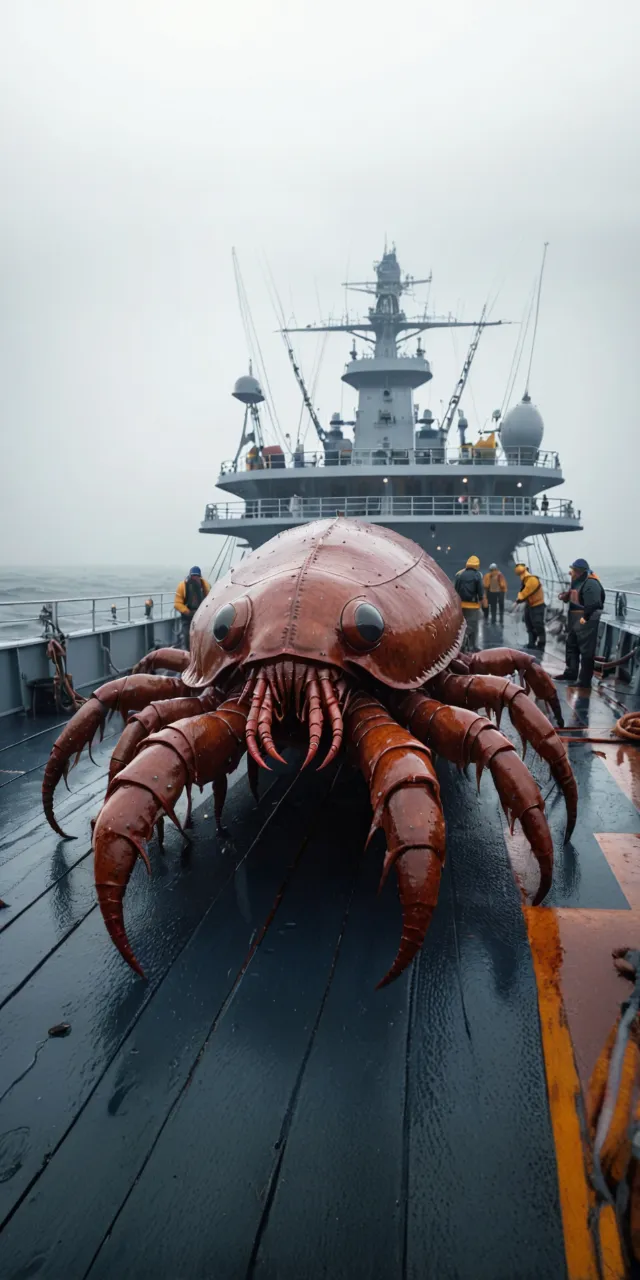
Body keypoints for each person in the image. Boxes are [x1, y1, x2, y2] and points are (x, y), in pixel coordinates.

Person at [556, 558, 606, 688]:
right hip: (574, 619)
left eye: (572, 569)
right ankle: (571, 673)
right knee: (571, 645)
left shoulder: (591, 583)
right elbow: (572, 597)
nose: (570, 572)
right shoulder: (576, 582)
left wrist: (585, 618)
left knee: (586, 650)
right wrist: (564, 596)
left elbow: (594, 603)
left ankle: (584, 681)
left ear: (578, 571)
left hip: (586, 620)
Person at [174, 566, 211, 650]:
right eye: (193, 576)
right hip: (187, 616)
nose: (195, 578)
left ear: (200, 576)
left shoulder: (205, 585)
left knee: (205, 635)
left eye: (197, 576)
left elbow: (209, 599)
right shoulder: (182, 586)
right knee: (187, 636)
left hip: (201, 615)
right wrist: (187, 612)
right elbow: (177, 603)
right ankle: (189, 652)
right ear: (190, 576)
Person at [454, 555, 484, 652]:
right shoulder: (477, 575)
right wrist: (482, 600)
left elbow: (455, 589)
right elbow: (480, 590)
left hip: (461, 605)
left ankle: (466, 646)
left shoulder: (460, 574)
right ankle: (467, 646)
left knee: (463, 625)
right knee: (472, 626)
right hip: (472, 605)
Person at [513, 563, 546, 650]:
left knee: (538, 625)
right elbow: (523, 591)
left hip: (537, 606)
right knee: (529, 625)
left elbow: (526, 592)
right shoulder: (525, 581)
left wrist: (517, 601)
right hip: (530, 605)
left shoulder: (532, 580)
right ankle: (531, 643)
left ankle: (541, 644)